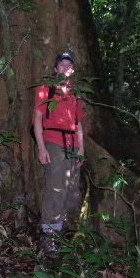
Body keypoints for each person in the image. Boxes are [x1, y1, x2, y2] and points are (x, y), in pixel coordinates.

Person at [33, 52, 84, 257]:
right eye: (61, 65)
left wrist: (81, 149)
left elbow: (78, 123)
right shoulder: (46, 89)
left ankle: (59, 230)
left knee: (70, 190)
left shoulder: (75, 93)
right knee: (55, 189)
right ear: (55, 69)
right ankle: (48, 236)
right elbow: (37, 118)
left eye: (68, 64)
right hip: (53, 142)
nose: (64, 67)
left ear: (72, 69)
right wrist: (41, 147)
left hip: (72, 144)